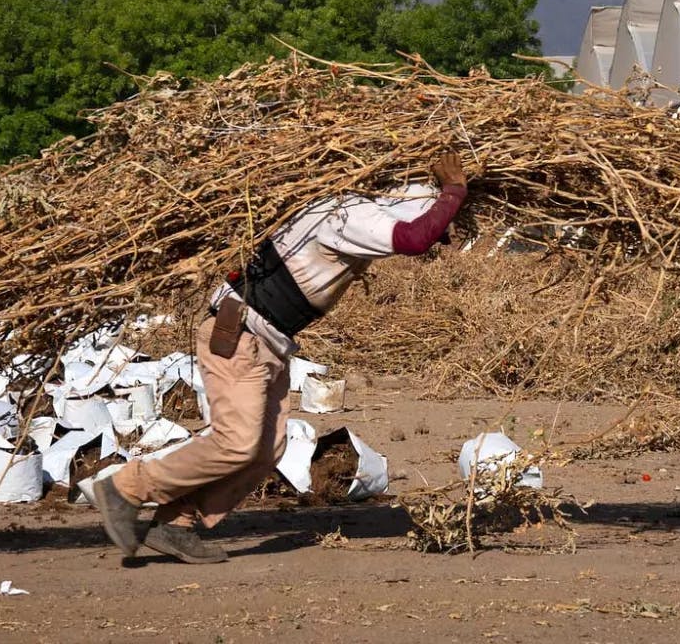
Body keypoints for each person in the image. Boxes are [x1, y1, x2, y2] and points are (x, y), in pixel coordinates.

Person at [93, 152, 469, 564]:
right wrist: (454, 190)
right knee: (237, 443)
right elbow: (415, 238)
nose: (439, 228)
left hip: (266, 342)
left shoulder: (346, 208)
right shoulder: (347, 213)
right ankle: (126, 488)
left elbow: (419, 229)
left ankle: (177, 523)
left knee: (266, 450)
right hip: (241, 335)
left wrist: (445, 207)